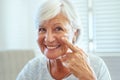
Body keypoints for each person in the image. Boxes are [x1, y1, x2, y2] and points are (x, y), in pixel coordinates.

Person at [16, 0, 111, 80]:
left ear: (75, 33)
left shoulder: (97, 66)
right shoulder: (32, 69)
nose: (49, 39)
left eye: (58, 29)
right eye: (42, 29)